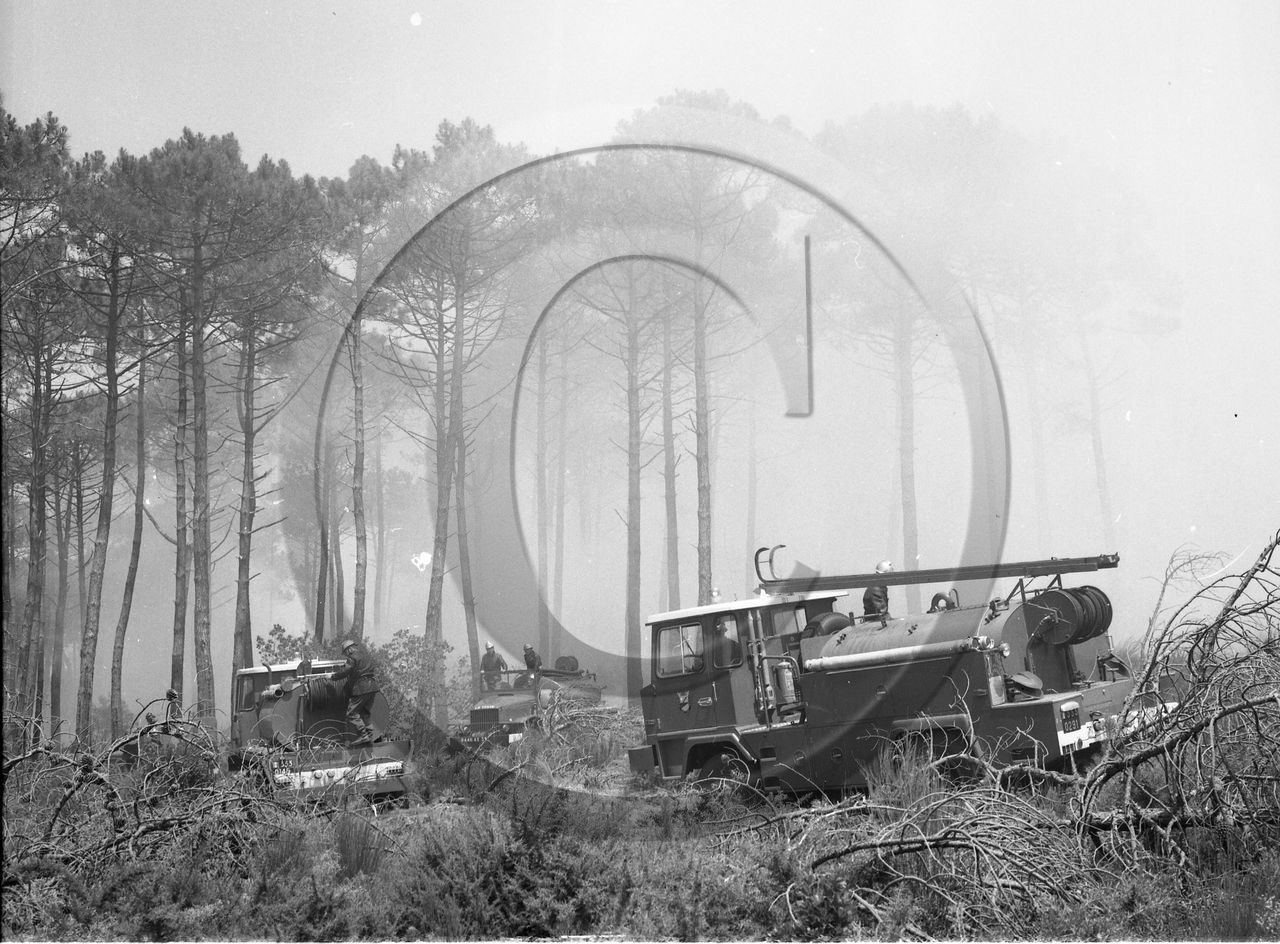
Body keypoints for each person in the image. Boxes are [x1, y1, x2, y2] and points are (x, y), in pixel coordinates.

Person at [332, 638, 380, 747]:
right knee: (365, 713)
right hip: (372, 686)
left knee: (351, 713)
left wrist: (333, 677)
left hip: (361, 688)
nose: (346, 655)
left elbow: (345, 671)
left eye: (345, 653)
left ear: (349, 650)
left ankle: (363, 735)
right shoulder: (366, 656)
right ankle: (369, 737)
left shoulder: (352, 658)